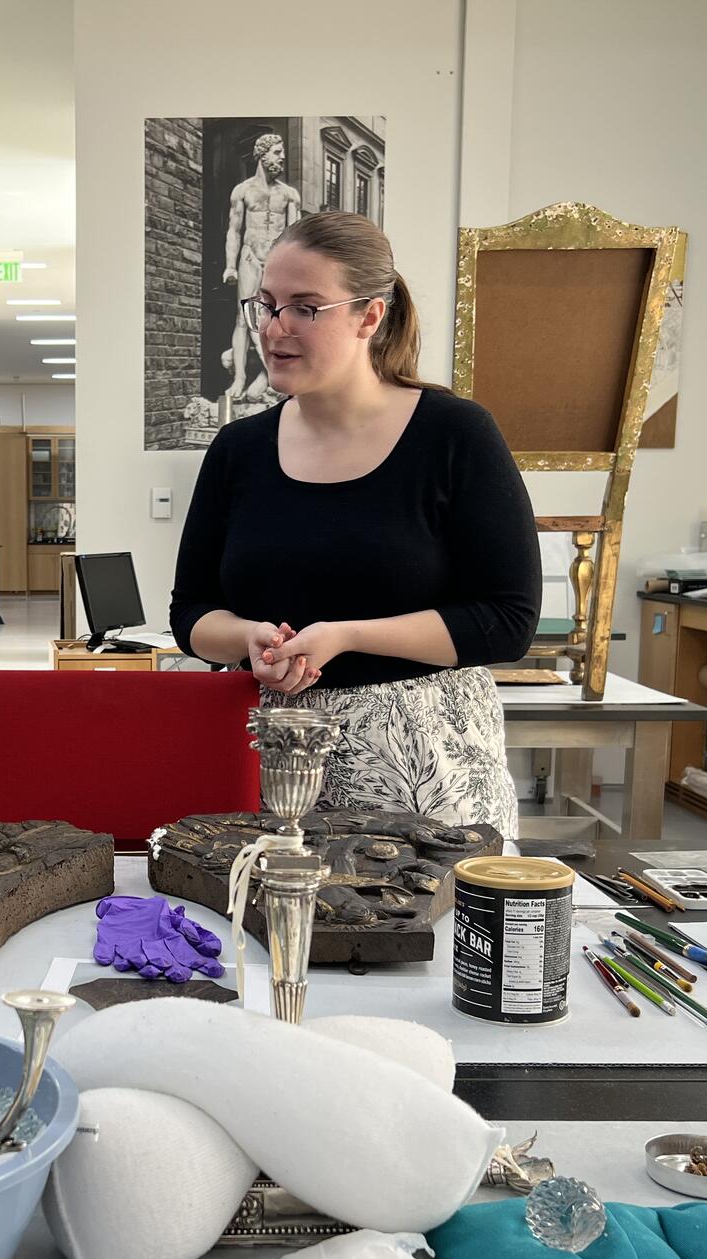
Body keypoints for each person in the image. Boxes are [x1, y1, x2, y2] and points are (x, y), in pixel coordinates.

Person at [170, 211, 540, 835]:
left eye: (305, 308)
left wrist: (346, 635)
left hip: (427, 771)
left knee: (432, 931)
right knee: (266, 931)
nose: (274, 329)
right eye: (266, 304)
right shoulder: (238, 450)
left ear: (369, 316)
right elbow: (191, 614)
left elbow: (506, 621)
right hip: (266, 764)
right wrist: (248, 639)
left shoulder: (455, 435)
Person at [221, 132, 301, 411]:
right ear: (262, 154)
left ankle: (272, 376)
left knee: (279, 319)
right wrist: (230, 265)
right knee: (244, 319)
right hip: (250, 257)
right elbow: (234, 230)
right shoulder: (242, 191)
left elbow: (294, 237)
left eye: (282, 153)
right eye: (277, 153)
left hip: (278, 263)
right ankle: (240, 379)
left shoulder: (289, 195)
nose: (281, 158)